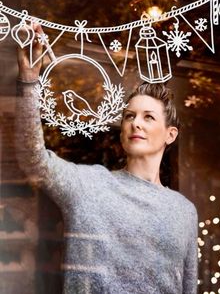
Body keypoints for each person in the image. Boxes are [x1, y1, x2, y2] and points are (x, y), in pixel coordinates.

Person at [16, 24, 198, 294]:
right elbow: (34, 161)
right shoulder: (90, 185)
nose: (136, 123)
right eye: (129, 116)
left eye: (148, 117)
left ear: (170, 135)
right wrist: (29, 82)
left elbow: (188, 288)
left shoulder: (184, 211)